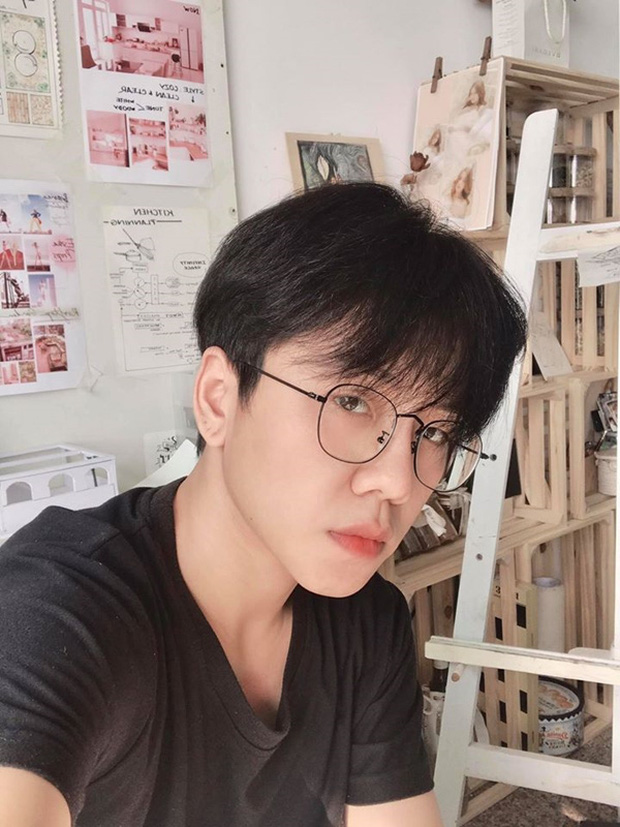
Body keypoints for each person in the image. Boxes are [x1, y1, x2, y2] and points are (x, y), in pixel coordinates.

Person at [0, 182, 527, 826]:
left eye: (436, 433)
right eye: (352, 402)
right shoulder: (60, 610)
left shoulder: (365, 622)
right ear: (218, 399)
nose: (397, 482)